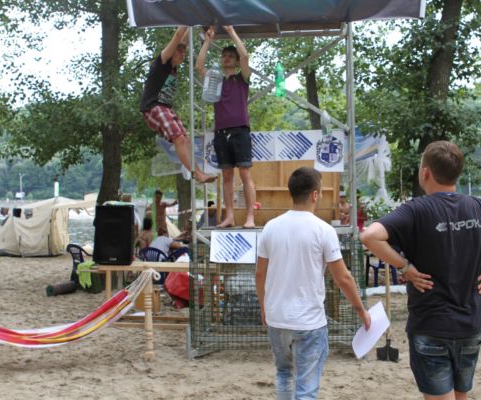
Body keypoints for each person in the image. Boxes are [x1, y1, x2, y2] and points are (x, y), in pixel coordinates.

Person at [360, 141, 481, 400]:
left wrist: (405, 267)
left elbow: (370, 236)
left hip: (431, 326)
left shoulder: (416, 210)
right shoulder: (479, 207)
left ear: (425, 172)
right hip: (470, 325)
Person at [255, 167, 371, 399]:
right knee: (306, 388)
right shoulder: (324, 230)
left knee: (283, 373)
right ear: (315, 194)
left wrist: (263, 306)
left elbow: (260, 273)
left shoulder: (270, 227)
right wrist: (361, 310)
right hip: (309, 321)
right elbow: (343, 278)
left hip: (277, 317)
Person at [196, 25, 256, 228]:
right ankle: (229, 216)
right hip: (221, 132)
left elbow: (245, 56)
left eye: (231, 56)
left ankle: (250, 217)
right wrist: (208, 41)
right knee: (227, 175)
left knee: (245, 173)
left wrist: (230, 31)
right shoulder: (216, 81)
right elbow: (199, 66)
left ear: (236, 61)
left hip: (240, 130)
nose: (226, 58)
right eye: (224, 56)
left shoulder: (242, 78)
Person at [140, 26, 216, 184]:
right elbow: (178, 36)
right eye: (179, 51)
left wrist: (195, 24)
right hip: (153, 107)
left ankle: (199, 172)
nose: (183, 54)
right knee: (179, 139)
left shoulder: (173, 67)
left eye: (184, 52)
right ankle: (196, 174)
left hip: (165, 107)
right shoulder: (162, 61)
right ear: (172, 51)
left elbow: (184, 40)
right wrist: (187, 19)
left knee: (186, 140)